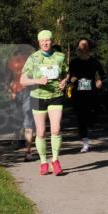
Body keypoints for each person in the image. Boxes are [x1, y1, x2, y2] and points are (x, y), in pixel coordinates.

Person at [20, 30, 68, 175]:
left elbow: (66, 73)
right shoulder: (33, 58)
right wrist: (37, 80)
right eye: (42, 41)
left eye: (47, 40)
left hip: (55, 95)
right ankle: (43, 162)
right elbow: (22, 80)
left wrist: (64, 82)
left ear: (52, 41)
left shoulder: (60, 57)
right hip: (38, 96)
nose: (45, 43)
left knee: (56, 129)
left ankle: (55, 160)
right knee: (40, 132)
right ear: (39, 42)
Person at [65, 39, 105, 152]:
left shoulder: (94, 62)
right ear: (78, 47)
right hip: (78, 93)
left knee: (91, 116)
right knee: (81, 117)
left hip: (92, 92)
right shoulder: (74, 62)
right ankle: (85, 142)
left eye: (85, 44)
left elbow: (101, 75)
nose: (82, 46)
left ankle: (89, 125)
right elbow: (69, 76)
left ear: (88, 47)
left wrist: (99, 81)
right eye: (80, 44)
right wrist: (70, 81)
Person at [7, 44, 34, 161]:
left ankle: (28, 149)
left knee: (28, 120)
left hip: (27, 93)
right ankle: (18, 139)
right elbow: (7, 79)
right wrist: (10, 91)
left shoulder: (29, 65)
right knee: (16, 118)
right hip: (15, 93)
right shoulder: (10, 66)